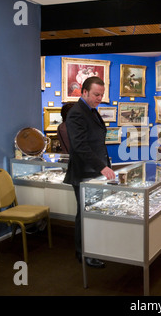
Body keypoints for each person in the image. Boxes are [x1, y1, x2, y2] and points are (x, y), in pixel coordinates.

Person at [63, 76, 116, 268]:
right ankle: (84, 253)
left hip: (95, 172)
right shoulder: (77, 113)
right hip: (85, 173)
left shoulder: (92, 111)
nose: (99, 98)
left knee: (93, 213)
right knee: (85, 215)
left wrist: (105, 166)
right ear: (84, 92)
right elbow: (80, 146)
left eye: (101, 95)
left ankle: (93, 248)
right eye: (96, 94)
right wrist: (101, 166)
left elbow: (98, 143)